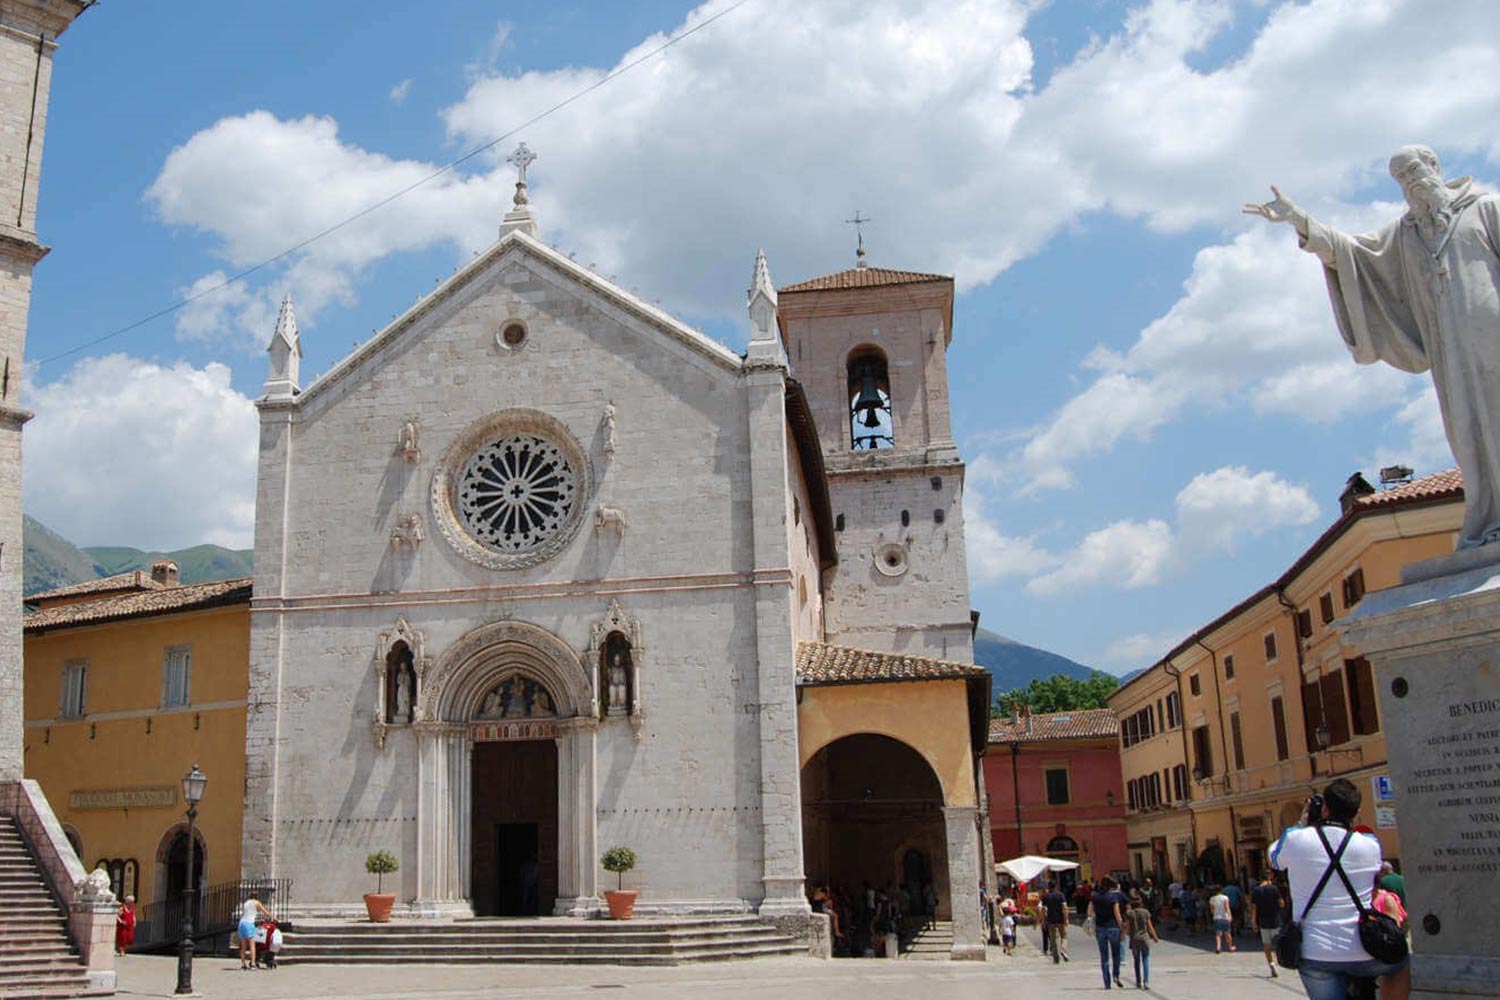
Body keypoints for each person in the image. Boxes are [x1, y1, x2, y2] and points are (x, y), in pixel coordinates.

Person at [1245, 145, 1500, 550]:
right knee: (1468, 433)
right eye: (1400, 177)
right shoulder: (1406, 233)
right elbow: (1353, 254)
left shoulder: (1486, 209)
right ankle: (1490, 519)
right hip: (1449, 348)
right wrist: (1299, 219)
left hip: (1494, 338)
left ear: (1434, 166)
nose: (1410, 181)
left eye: (1414, 170)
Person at [1270, 779, 1410, 1000]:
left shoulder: (1296, 838)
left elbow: (1274, 859)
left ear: (1324, 807)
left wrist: (1303, 822)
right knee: (1399, 963)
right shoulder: (1370, 844)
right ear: (1357, 813)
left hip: (1314, 950)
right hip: (1363, 948)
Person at [1090, 876, 1125, 989]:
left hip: (1100, 928)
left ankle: (1107, 982)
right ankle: (1116, 975)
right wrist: (1122, 927)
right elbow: (1117, 914)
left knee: (1104, 956)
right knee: (1116, 953)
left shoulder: (1095, 897)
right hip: (1113, 928)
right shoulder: (1113, 897)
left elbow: (1089, 912)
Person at [1250, 869, 1286, 978]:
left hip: (1262, 921)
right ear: (1270, 877)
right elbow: (1281, 904)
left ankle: (1271, 964)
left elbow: (1253, 908)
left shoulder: (1256, 891)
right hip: (1275, 920)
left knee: (1267, 945)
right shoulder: (1274, 889)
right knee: (1279, 943)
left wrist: (1253, 923)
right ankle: (1281, 960)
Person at [1125, 890, 1159, 990]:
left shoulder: (1130, 914)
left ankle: (1138, 981)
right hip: (1144, 939)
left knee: (1136, 961)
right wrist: (1155, 936)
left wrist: (1122, 935)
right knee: (1145, 959)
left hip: (1134, 939)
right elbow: (1150, 926)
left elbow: (1127, 926)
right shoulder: (1146, 913)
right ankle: (1146, 981)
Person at [238, 895, 273, 970]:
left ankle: (243, 964)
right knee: (252, 945)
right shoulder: (256, 902)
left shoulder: (246, 903)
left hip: (242, 923)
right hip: (249, 923)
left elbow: (247, 913)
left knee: (243, 946)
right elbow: (265, 912)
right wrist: (273, 917)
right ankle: (253, 964)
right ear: (256, 897)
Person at [1042, 879, 1070, 964]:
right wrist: (1066, 918)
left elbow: (1043, 909)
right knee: (1064, 936)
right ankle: (1063, 950)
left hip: (1050, 919)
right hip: (1060, 919)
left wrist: (1044, 920)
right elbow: (1064, 907)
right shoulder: (1060, 895)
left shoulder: (1046, 896)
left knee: (1053, 939)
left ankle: (1056, 958)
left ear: (1049, 887)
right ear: (1056, 886)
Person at [1209, 885, 1234, 953]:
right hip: (1224, 917)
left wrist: (1215, 912)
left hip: (1216, 917)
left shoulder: (1212, 899)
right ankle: (1230, 947)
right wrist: (1230, 915)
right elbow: (1227, 907)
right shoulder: (1225, 897)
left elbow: (1211, 910)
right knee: (1227, 933)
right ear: (1221, 890)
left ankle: (1218, 947)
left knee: (1218, 934)